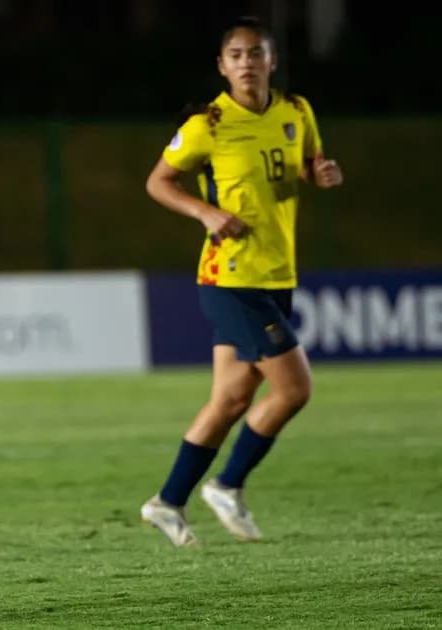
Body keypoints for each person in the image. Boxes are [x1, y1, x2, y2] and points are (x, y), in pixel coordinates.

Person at [139, 16, 344, 547]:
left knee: (231, 400)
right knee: (295, 388)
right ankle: (227, 484)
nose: (247, 62)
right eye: (236, 55)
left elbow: (302, 165)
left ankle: (167, 502)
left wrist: (319, 174)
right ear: (222, 66)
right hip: (229, 277)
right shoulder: (208, 123)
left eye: (256, 53)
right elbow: (158, 182)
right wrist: (205, 214)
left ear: (272, 61)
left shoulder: (296, 111)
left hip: (278, 273)